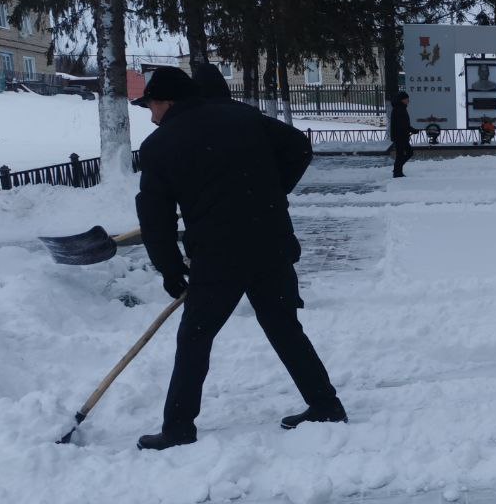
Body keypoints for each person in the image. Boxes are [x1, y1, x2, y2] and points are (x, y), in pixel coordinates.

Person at [132, 67, 346, 450]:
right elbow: (298, 146)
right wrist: (269, 192)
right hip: (270, 245)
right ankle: (326, 404)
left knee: (195, 337)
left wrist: (169, 267)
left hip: (218, 256)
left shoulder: (159, 146)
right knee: (284, 327)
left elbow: (155, 218)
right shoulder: (242, 116)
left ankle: (179, 426)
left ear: (168, 101)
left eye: (152, 105)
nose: (151, 115)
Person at [390, 90, 413, 178]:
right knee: (405, 153)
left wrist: (410, 129)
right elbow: (402, 125)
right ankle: (397, 172)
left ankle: (397, 170)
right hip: (400, 136)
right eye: (407, 99)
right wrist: (412, 129)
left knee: (403, 154)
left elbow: (404, 124)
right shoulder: (399, 109)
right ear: (402, 99)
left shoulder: (400, 108)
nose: (408, 100)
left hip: (401, 135)